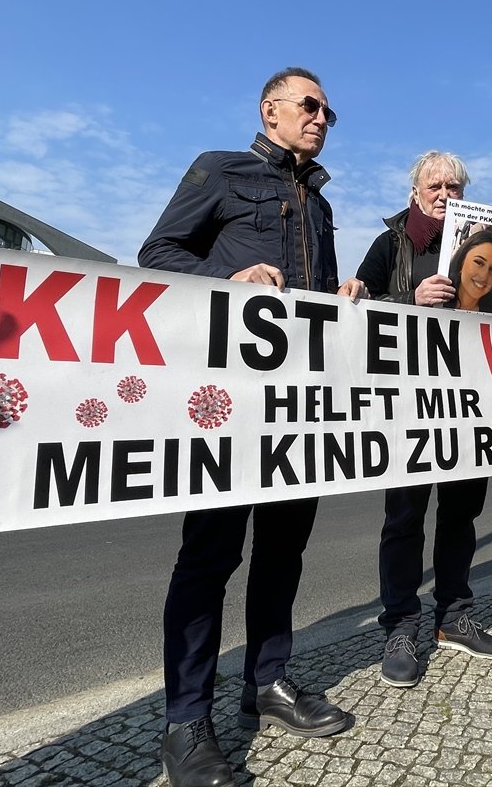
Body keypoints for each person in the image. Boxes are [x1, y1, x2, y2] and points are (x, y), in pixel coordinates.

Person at [139, 67, 364, 787]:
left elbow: (308, 303)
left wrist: (340, 295)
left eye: (329, 109)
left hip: (299, 407)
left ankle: (266, 684)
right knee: (208, 559)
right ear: (271, 110)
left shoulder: (320, 204)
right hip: (228, 403)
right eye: (310, 105)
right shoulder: (220, 170)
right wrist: (225, 281)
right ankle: (185, 725)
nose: (322, 116)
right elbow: (159, 254)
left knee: (283, 551)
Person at [356, 150, 492, 688]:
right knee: (404, 518)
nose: (445, 193)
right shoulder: (390, 245)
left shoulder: (488, 249)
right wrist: (409, 297)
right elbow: (353, 311)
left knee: (461, 513)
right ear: (415, 193)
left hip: (467, 400)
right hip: (408, 403)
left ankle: (453, 616)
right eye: (435, 185)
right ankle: (401, 625)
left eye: (454, 186)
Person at [447, 228, 492, 313]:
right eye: (479, 262)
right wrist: (423, 302)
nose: (484, 276)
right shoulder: (437, 298)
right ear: (461, 261)